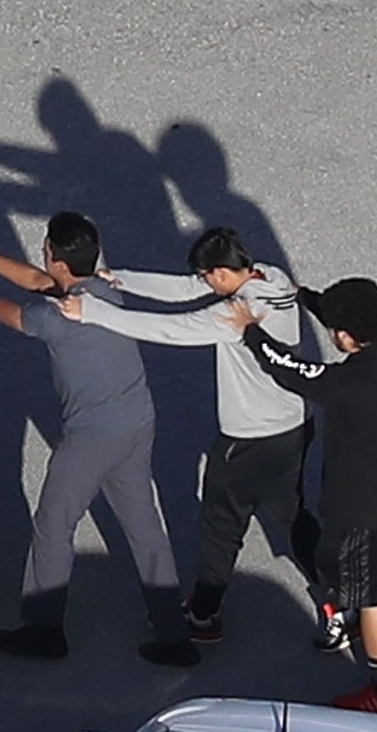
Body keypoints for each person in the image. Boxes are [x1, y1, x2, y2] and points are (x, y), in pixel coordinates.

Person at [0, 217, 197, 665]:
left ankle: (43, 629)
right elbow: (40, 281)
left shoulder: (54, 317)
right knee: (144, 524)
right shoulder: (102, 292)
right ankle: (173, 632)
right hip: (137, 423)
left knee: (54, 524)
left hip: (91, 438)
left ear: (53, 254)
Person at [61, 228, 306, 643]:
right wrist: (120, 278)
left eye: (209, 276)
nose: (205, 283)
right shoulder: (271, 276)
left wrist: (93, 312)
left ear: (224, 273)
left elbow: (170, 328)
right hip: (292, 428)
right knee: (294, 518)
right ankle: (347, 599)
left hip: (246, 441)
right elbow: (186, 289)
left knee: (219, 528)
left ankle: (204, 615)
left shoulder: (238, 313)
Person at [221, 279, 377, 713]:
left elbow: (292, 370)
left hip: (368, 513)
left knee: (373, 597)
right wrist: (302, 295)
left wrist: (250, 331)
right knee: (341, 565)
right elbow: (342, 322)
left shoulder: (347, 383)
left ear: (344, 336)